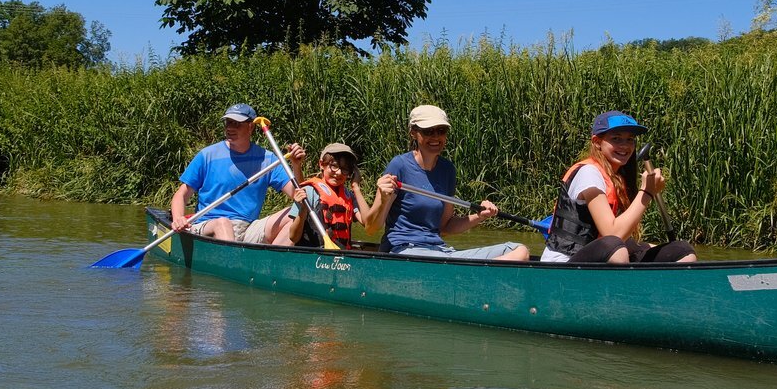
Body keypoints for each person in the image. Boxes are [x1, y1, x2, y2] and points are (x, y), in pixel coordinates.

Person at [371, 105, 530, 260]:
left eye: (441, 131)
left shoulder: (447, 170)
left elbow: (445, 227)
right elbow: (372, 227)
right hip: (404, 249)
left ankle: (472, 276)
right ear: (413, 133)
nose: (435, 137)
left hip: (438, 249)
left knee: (519, 251)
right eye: (428, 131)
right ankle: (473, 275)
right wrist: (384, 200)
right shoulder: (399, 166)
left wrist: (480, 216)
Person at [541, 110, 697, 264]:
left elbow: (622, 241)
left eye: (630, 139)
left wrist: (664, 251)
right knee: (615, 247)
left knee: (682, 251)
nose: (625, 145)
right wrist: (647, 192)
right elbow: (613, 235)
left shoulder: (616, 179)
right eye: (616, 139)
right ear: (597, 142)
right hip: (565, 262)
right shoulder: (589, 173)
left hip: (604, 255)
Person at [170, 103, 305, 242]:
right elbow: (181, 194)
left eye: (237, 124)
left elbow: (298, 194)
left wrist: (296, 165)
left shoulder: (268, 159)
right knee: (223, 223)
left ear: (251, 127)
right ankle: (232, 262)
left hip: (247, 228)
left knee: (296, 213)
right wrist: (178, 218)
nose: (230, 128)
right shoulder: (207, 155)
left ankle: (271, 262)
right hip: (209, 225)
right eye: (228, 122)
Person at [277, 143, 388, 249]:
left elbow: (368, 223)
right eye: (334, 166)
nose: (339, 172)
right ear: (321, 164)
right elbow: (293, 237)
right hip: (313, 256)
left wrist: (356, 187)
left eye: (345, 169)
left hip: (340, 259)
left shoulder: (349, 196)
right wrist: (302, 210)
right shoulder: (309, 192)